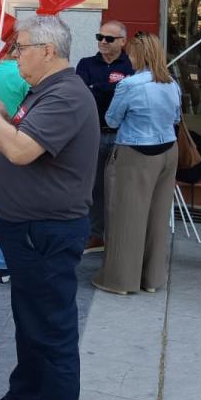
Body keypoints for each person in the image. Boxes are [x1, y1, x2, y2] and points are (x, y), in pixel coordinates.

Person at [0, 15, 98, 400]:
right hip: (28, 229)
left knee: (53, 335)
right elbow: (21, 138)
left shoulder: (65, 93)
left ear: (47, 50)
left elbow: (22, 151)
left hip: (45, 232)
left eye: (19, 47)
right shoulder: (45, 91)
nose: (13, 54)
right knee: (30, 323)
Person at [92, 32, 181, 295]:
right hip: (168, 151)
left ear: (139, 55)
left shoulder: (130, 85)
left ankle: (121, 280)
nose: (128, 57)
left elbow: (112, 119)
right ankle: (151, 278)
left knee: (125, 217)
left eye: (131, 53)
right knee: (157, 216)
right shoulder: (172, 84)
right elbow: (176, 117)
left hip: (135, 153)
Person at [75, 20, 133, 254]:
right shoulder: (86, 64)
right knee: (95, 187)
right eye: (99, 37)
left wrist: (97, 87)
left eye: (108, 38)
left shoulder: (131, 64)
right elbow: (81, 93)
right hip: (95, 134)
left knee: (123, 188)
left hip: (124, 135)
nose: (102, 42)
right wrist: (111, 86)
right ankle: (96, 235)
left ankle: (121, 238)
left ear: (122, 41)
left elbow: (132, 95)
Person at [0, 55, 30, 283]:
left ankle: (1, 265)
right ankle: (10, 261)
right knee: (18, 206)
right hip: (17, 144)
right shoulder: (24, 75)